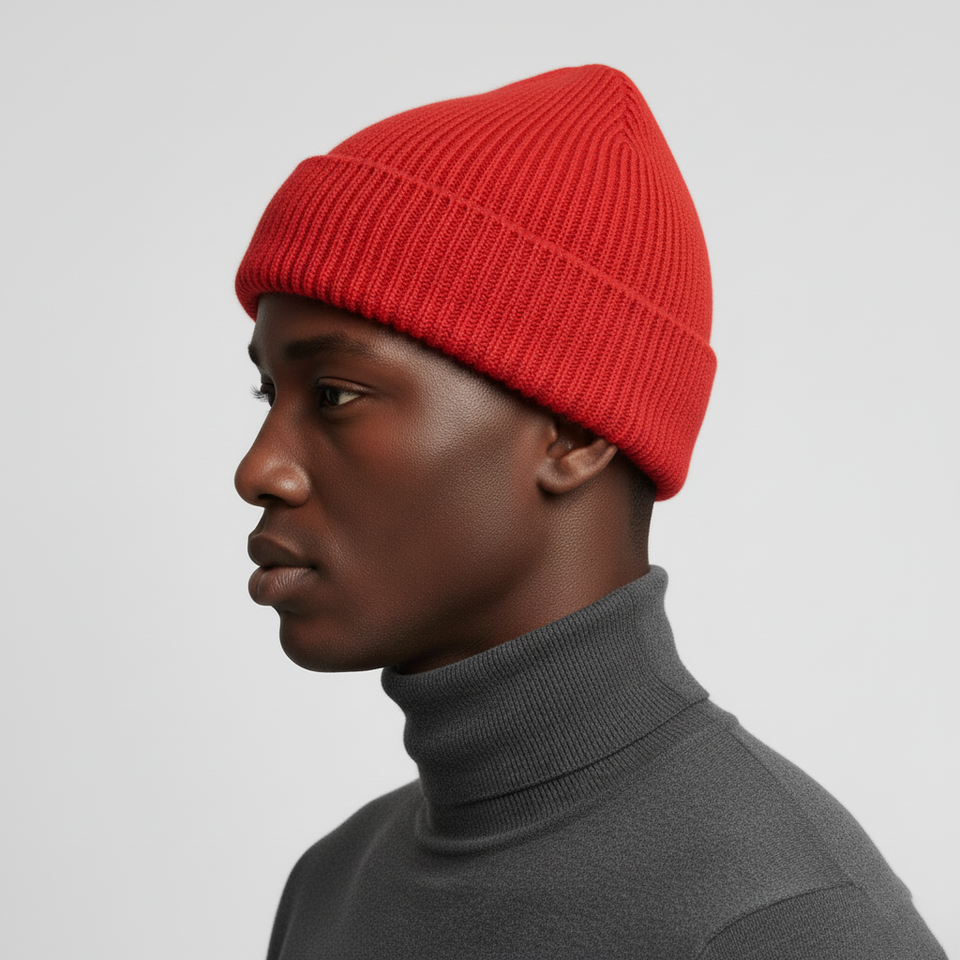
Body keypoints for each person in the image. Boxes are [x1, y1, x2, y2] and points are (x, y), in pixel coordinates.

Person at [233, 65, 947, 959]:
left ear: (574, 433)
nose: (259, 469)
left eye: (335, 395)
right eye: (267, 394)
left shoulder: (781, 923)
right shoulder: (335, 882)